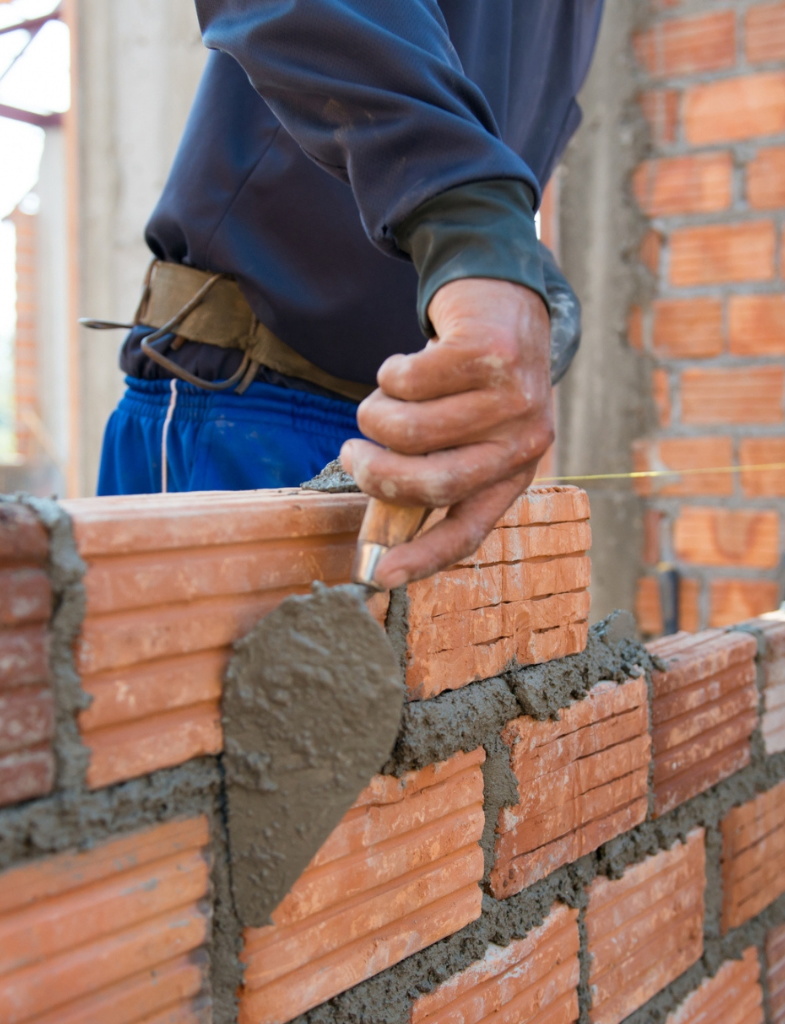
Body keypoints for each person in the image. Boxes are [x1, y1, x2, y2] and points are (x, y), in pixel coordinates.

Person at [93, 1, 603, 589]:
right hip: (248, 399)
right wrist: (474, 227)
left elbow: (475, 121)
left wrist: (518, 265)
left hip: (405, 443)